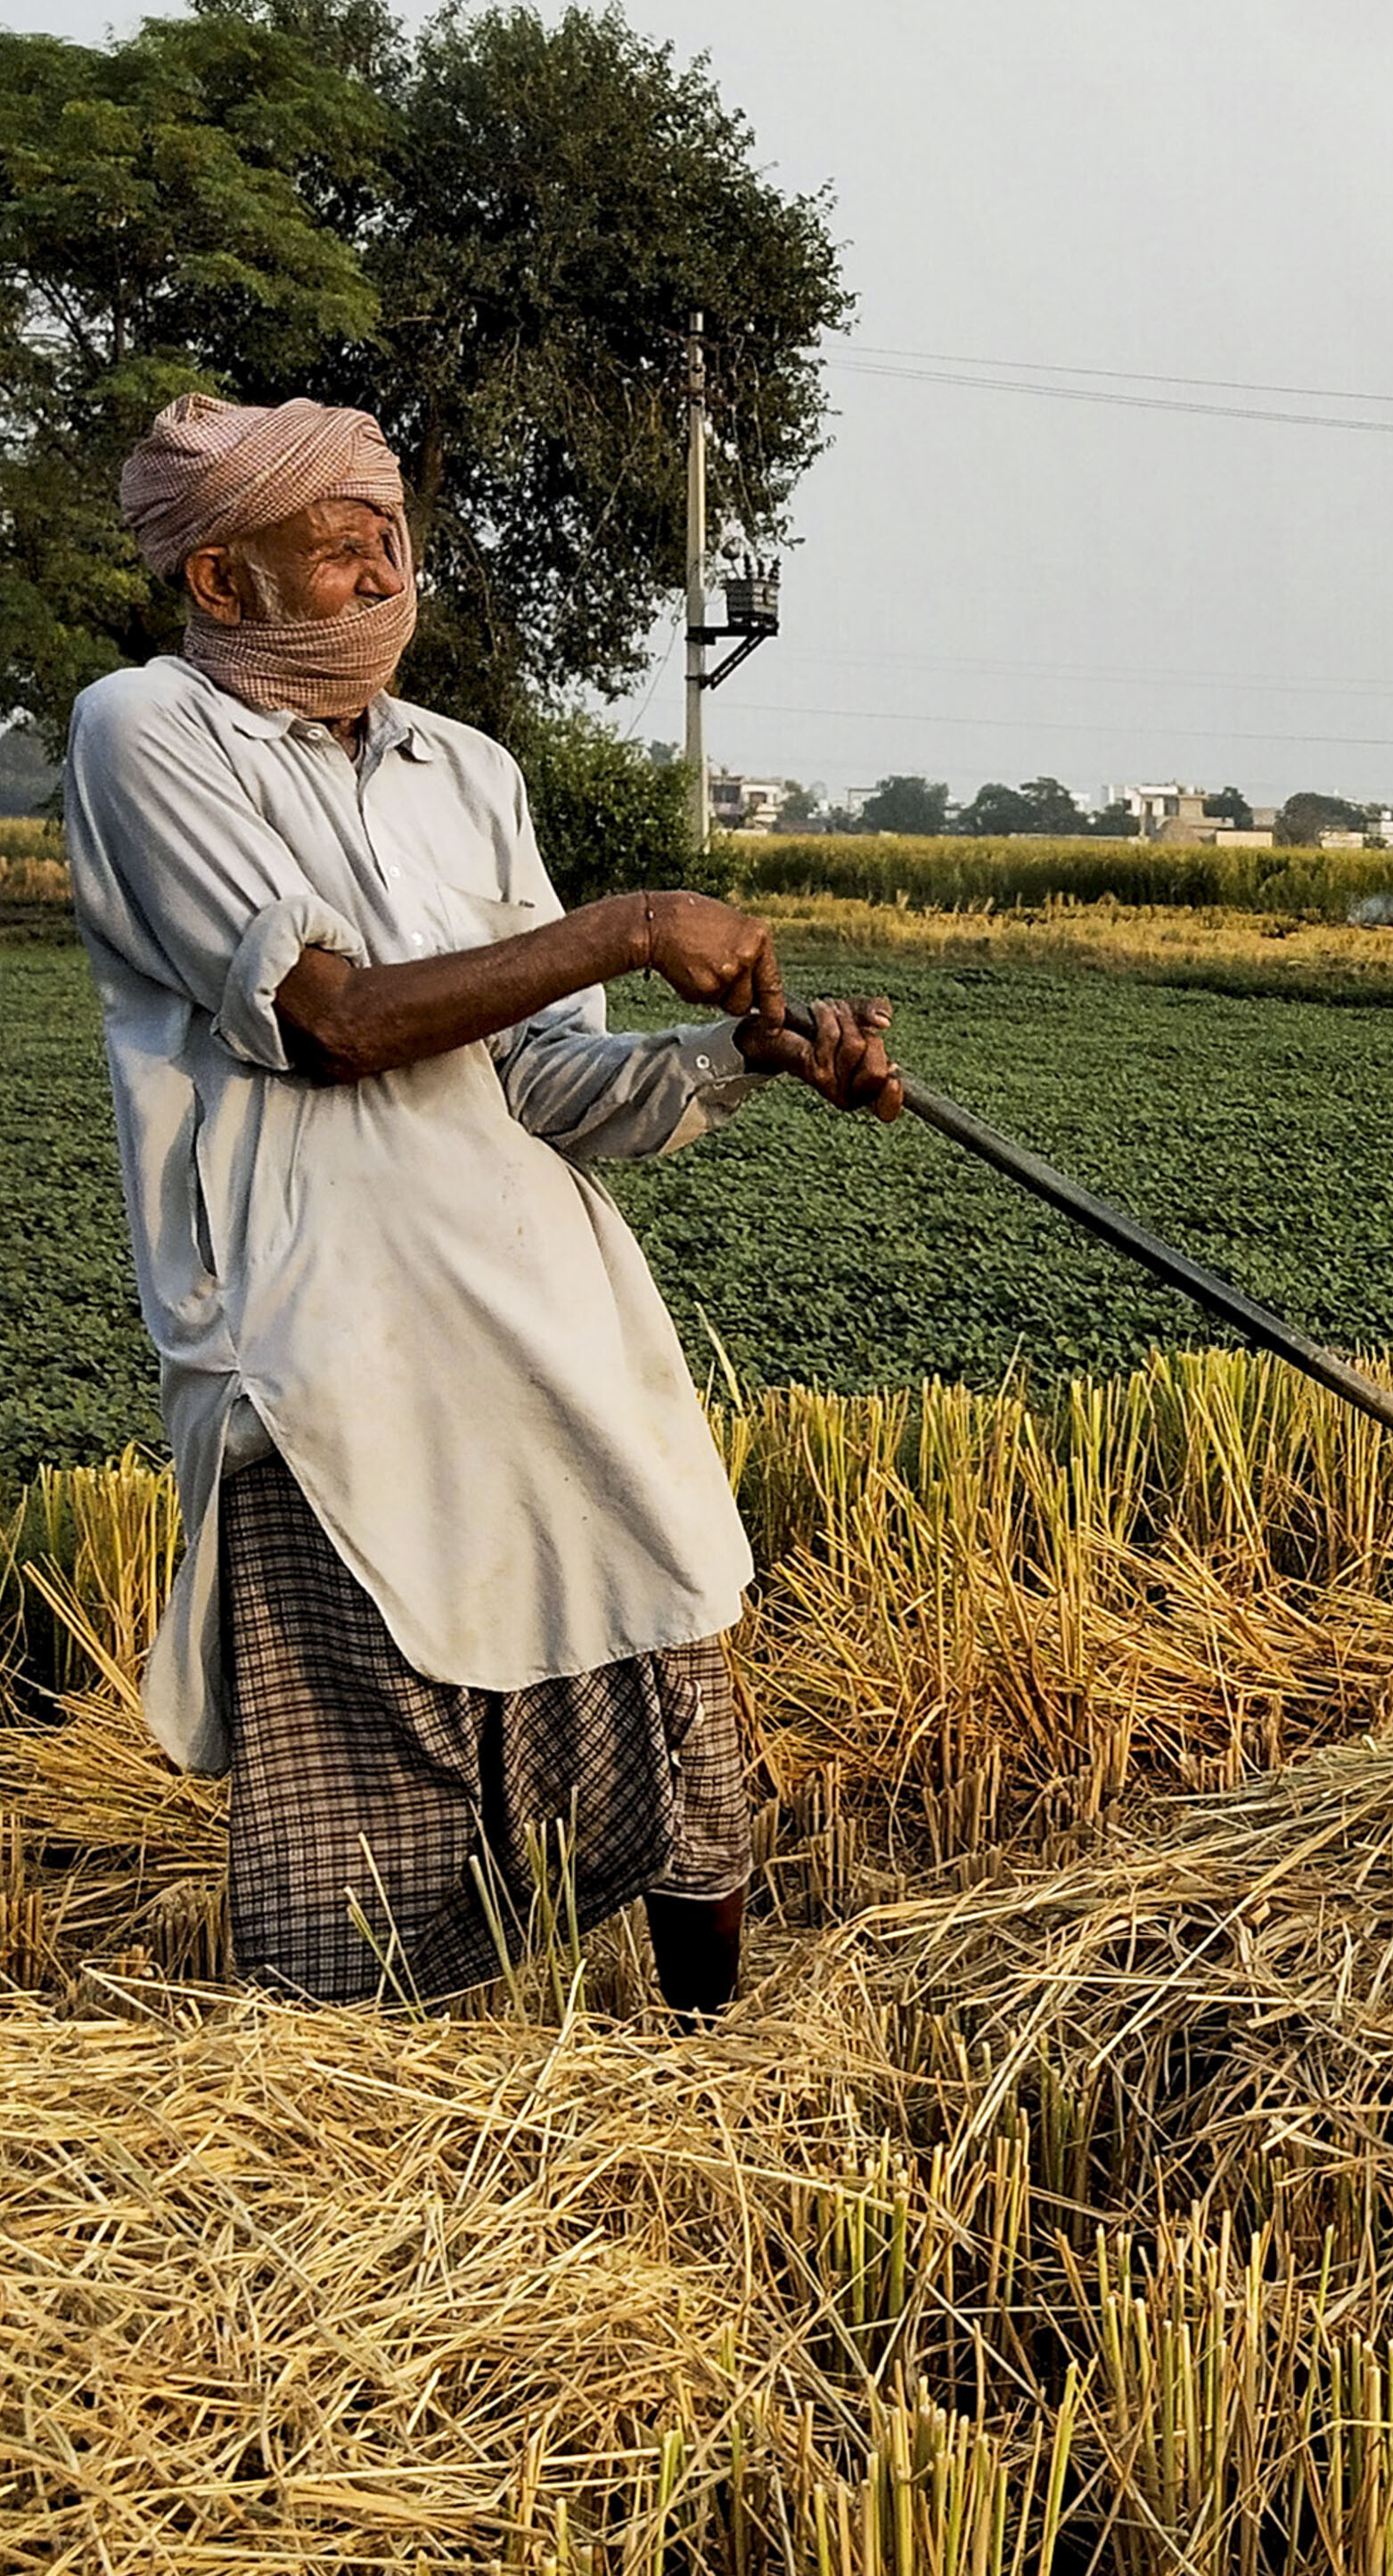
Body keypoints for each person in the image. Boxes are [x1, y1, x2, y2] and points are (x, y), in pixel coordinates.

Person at [61, 390, 904, 2014]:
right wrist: (633, 919)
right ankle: (375, 2167)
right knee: (355, 1841)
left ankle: (704, 2069)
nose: (385, 570)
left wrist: (759, 1054)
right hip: (325, 1360)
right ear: (222, 583)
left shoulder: (467, 770)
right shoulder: (143, 730)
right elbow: (332, 1019)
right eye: (336, 544)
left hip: (541, 1322)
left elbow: (547, 1085)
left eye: (391, 532)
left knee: (674, 1703)